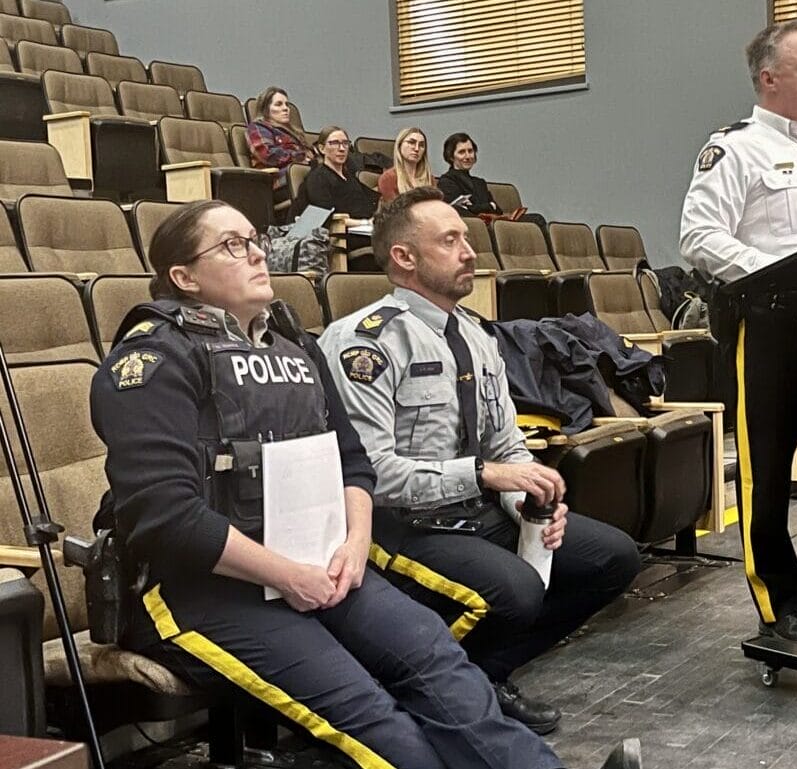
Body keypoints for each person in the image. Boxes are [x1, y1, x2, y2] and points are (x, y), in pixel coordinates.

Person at [90, 199, 642, 769]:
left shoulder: (295, 347)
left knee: (435, 659)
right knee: (372, 716)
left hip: (322, 563)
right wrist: (293, 577)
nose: (256, 252)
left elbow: (352, 463)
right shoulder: (152, 361)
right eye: (231, 245)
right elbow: (167, 518)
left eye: (254, 238)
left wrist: (354, 548)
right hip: (205, 590)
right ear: (183, 277)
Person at [318, 187, 641, 736]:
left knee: (613, 558)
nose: (470, 250)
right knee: (515, 589)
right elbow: (371, 473)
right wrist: (487, 475)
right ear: (404, 258)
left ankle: (480, 679)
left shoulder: (475, 333)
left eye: (466, 237)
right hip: (399, 526)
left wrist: (528, 502)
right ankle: (417, 685)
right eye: (450, 240)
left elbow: (505, 443)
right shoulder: (362, 344)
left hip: (477, 510)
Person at [678, 19, 797, 645]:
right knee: (768, 474)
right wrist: (779, 270)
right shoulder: (734, 150)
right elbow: (699, 237)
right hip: (770, 327)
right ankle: (780, 605)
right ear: (769, 79)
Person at [246, 86, 313, 219]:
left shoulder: (294, 133)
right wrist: (300, 157)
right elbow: (267, 154)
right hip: (277, 182)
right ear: (266, 109)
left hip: (299, 176)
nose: (285, 108)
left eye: (287, 105)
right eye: (278, 104)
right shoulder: (257, 128)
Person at [293, 125, 379, 220]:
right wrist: (365, 223)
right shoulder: (317, 178)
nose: (342, 148)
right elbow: (326, 218)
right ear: (322, 148)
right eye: (334, 143)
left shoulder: (348, 177)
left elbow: (372, 199)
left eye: (345, 143)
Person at [437, 132, 501, 216]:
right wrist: (490, 206)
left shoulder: (480, 183)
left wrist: (473, 207)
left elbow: (498, 211)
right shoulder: (446, 181)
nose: (468, 156)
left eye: (470, 151)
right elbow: (460, 211)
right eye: (462, 152)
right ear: (451, 157)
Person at [377, 127, 437, 204]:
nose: (416, 148)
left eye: (421, 145)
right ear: (399, 146)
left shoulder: (430, 179)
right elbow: (391, 212)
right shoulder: (388, 178)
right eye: (411, 142)